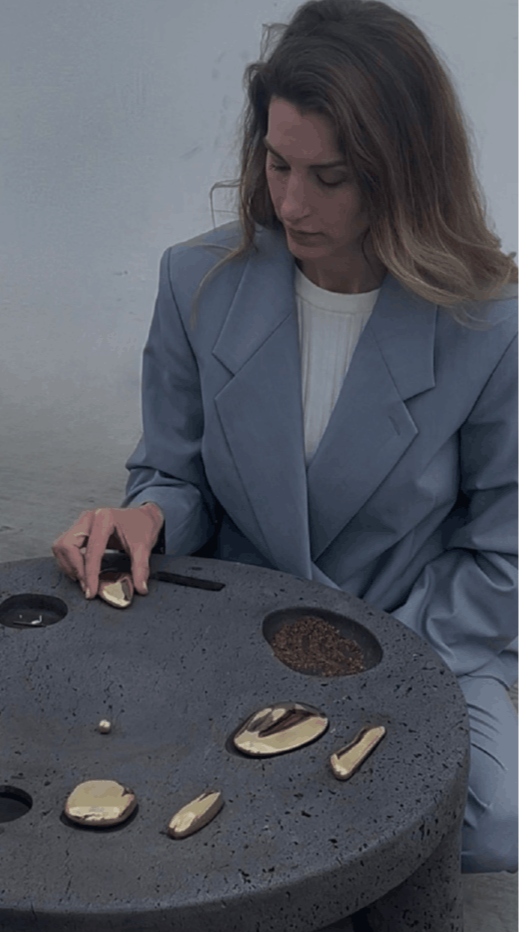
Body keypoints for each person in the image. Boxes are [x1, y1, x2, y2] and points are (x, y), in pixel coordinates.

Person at [52, 0, 519, 873]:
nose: (292, 204)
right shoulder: (196, 281)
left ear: (404, 171)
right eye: (277, 163)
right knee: (89, 749)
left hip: (412, 633)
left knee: (492, 821)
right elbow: (173, 471)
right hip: (234, 620)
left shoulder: (491, 326)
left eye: (330, 177)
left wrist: (385, 666)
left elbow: (505, 554)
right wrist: (147, 518)